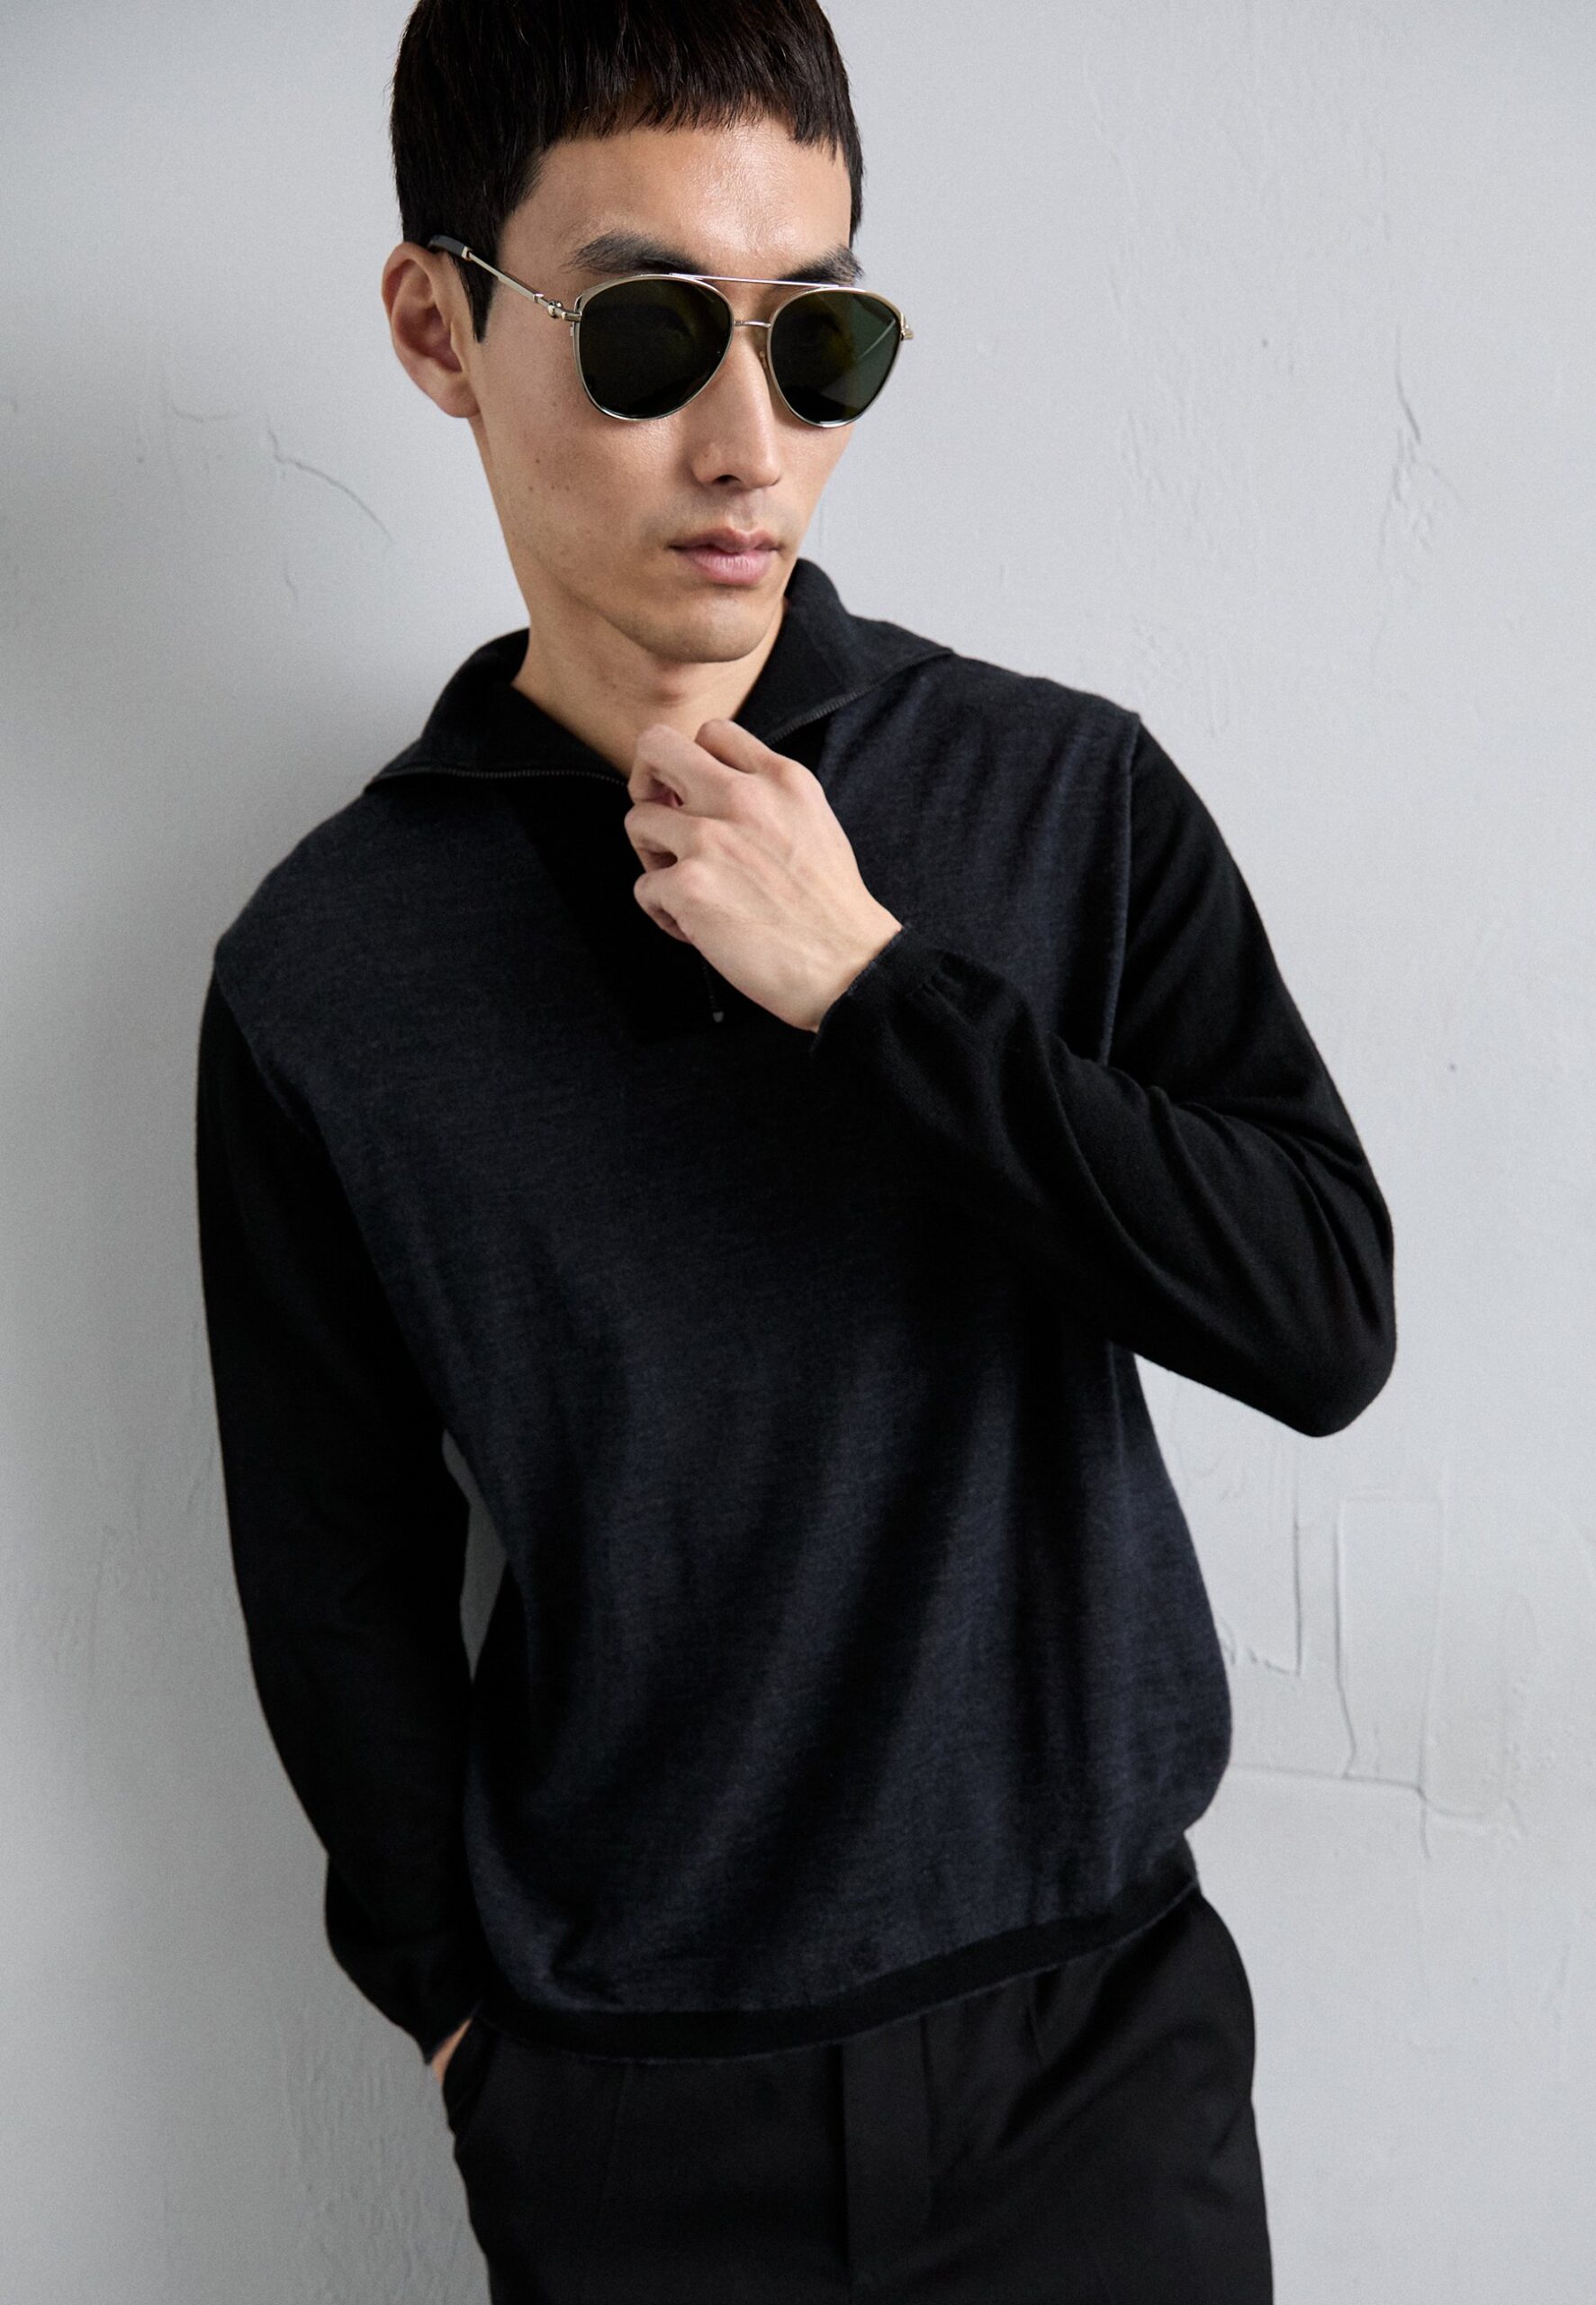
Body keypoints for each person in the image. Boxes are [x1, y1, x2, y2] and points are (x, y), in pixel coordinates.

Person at [193, 2, 1396, 2296]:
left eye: (816, 336)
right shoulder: (324, 970)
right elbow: (334, 1571)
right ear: (437, 328)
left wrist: (873, 991)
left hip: (1091, 2066)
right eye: (649, 332)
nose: (750, 441)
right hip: (633, 2123)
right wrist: (464, 2026)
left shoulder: (1061, 797)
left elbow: (1320, 1317)